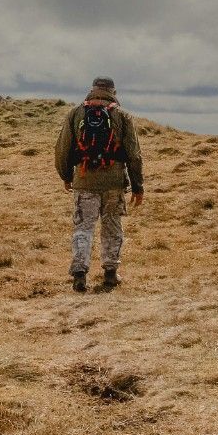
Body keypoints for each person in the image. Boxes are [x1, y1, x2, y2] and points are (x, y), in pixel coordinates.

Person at [54, 77, 144, 293]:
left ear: (92, 90)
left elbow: (62, 149)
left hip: (84, 181)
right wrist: (138, 186)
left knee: (83, 227)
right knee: (112, 226)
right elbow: (134, 155)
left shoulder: (76, 114)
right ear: (113, 91)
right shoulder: (122, 116)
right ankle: (111, 273)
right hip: (114, 183)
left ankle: (79, 274)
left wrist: (66, 176)